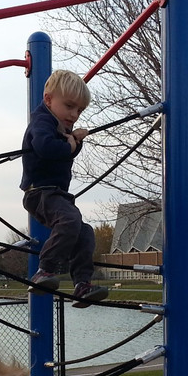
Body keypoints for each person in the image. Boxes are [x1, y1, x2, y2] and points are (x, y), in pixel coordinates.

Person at [19, 69, 109, 308]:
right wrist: (70, 144)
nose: (74, 114)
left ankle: (82, 283)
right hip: (40, 192)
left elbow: (64, 154)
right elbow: (46, 148)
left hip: (56, 194)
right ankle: (45, 270)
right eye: (69, 106)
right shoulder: (42, 121)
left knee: (85, 232)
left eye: (79, 110)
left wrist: (75, 142)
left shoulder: (59, 125)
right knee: (70, 220)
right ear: (48, 99)